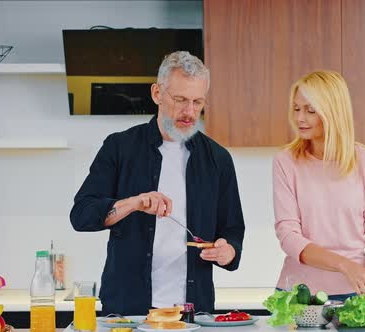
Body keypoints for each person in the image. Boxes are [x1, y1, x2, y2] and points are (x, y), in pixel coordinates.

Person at [70, 51, 245, 315]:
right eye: (180, 100)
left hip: (193, 313)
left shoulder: (218, 159)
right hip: (127, 311)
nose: (189, 112)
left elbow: (232, 230)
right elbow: (81, 215)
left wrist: (227, 251)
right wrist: (133, 203)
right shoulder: (119, 147)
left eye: (198, 102)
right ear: (156, 94)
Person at [272, 70, 365, 303]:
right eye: (296, 108)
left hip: (358, 291)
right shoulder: (286, 162)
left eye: (310, 110)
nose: (299, 118)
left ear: (332, 112)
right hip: (300, 295)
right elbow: (289, 236)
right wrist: (345, 266)